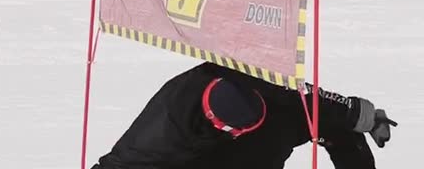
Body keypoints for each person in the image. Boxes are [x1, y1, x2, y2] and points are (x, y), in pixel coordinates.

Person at [92, 62, 397, 169]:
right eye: (229, 130)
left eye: (243, 130)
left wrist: (367, 117)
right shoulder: (164, 127)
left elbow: (333, 119)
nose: (235, 133)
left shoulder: (280, 106)